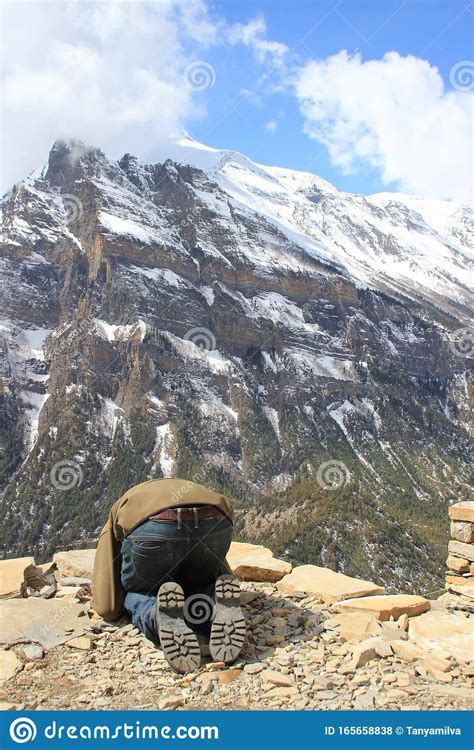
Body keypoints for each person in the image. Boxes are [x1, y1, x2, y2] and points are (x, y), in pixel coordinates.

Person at [91, 477, 246, 673]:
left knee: (138, 590)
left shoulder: (121, 507)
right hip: (216, 522)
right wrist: (223, 579)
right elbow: (217, 563)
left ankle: (155, 616)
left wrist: (109, 606)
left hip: (156, 528)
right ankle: (214, 608)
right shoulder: (189, 487)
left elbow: (107, 593)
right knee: (198, 583)